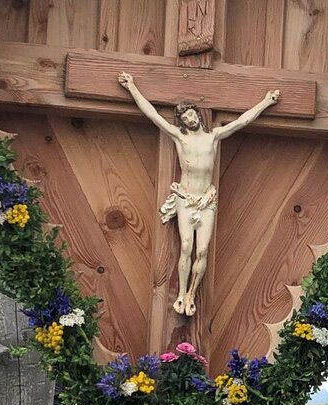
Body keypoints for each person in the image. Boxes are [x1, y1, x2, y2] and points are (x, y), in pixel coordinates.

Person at [117, 71, 280, 316]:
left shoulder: (213, 136)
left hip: (207, 200)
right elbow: (152, 114)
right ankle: (181, 293)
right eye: (185, 116)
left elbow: (241, 122)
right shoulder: (179, 137)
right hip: (185, 198)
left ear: (198, 116)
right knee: (186, 246)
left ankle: (192, 294)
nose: (190, 118)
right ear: (182, 121)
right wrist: (132, 88)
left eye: (192, 113)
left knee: (202, 250)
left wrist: (266, 102)